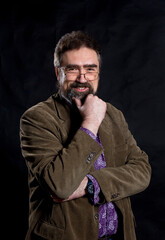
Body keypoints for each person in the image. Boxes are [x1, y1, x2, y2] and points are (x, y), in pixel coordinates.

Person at [20, 30, 151, 240]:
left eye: (90, 69)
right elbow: (60, 186)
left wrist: (91, 184)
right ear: (58, 73)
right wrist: (90, 123)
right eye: (72, 69)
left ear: (98, 72)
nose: (82, 78)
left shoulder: (114, 114)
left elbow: (143, 171)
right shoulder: (37, 119)